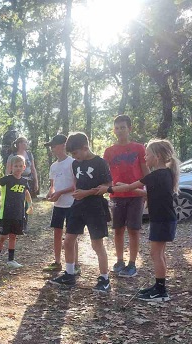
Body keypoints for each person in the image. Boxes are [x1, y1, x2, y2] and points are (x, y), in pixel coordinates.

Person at [97, 139, 179, 302]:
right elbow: (146, 193)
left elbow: (129, 188)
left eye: (147, 154)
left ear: (157, 156)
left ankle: (161, 292)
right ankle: (159, 286)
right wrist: (123, 184)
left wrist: (109, 189)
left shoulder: (156, 174)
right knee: (159, 254)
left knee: (156, 254)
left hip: (162, 220)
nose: (145, 157)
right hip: (164, 219)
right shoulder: (165, 174)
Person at [49, 132, 112, 293]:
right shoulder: (76, 164)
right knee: (68, 241)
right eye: (72, 155)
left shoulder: (100, 163)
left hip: (95, 207)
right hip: (77, 206)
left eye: (76, 153)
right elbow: (77, 183)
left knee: (97, 244)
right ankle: (69, 274)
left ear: (85, 147)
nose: (75, 158)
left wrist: (87, 193)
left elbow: (106, 186)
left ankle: (104, 279)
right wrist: (77, 193)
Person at [103, 115, 150, 277]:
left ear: (129, 128)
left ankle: (132, 263)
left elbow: (145, 171)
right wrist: (108, 189)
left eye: (123, 127)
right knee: (117, 229)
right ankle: (120, 260)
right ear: (114, 130)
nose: (120, 130)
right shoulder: (109, 151)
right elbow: (106, 174)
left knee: (134, 229)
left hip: (136, 195)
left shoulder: (139, 148)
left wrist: (148, 192)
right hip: (116, 196)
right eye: (117, 128)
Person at [43, 135, 81, 275]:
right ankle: (57, 262)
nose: (52, 148)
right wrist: (50, 193)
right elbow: (53, 186)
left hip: (71, 203)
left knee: (71, 235)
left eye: (54, 145)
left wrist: (60, 192)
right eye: (51, 146)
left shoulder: (72, 162)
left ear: (63, 145)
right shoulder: (53, 166)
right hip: (58, 205)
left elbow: (75, 185)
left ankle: (75, 264)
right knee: (57, 233)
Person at [0, 155, 33, 269]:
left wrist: (31, 204)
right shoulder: (7, 179)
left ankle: (11, 260)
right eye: (15, 166)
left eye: (20, 166)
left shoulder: (24, 181)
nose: (18, 168)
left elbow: (26, 193)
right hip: (6, 214)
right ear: (11, 167)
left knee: (13, 236)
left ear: (24, 167)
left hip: (18, 214)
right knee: (2, 237)